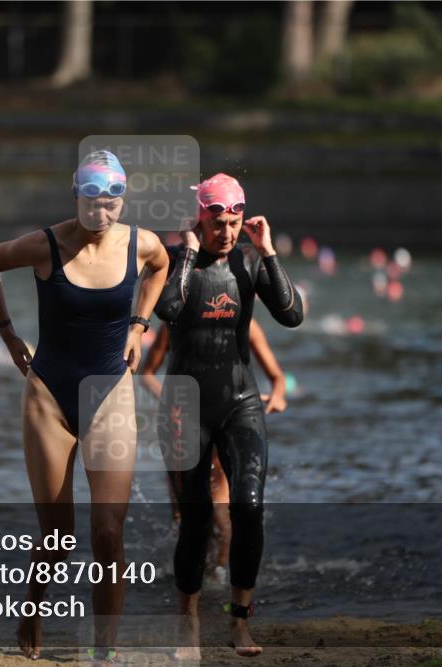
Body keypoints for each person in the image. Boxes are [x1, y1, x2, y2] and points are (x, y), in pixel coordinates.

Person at [0, 150, 169, 663]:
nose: (101, 215)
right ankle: (32, 611)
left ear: (122, 200)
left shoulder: (140, 243)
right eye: (91, 202)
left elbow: (161, 266)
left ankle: (104, 652)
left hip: (112, 394)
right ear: (75, 197)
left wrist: (138, 324)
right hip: (48, 397)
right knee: (57, 541)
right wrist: (8, 334)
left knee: (108, 533)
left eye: (110, 203)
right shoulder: (46, 245)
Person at [154, 173, 303, 658]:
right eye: (218, 221)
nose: (228, 231)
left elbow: (291, 315)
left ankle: (239, 622)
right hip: (184, 405)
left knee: (249, 507)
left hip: (240, 401)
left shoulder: (250, 264)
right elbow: (169, 309)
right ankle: (188, 623)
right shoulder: (177, 262)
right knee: (196, 520)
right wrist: (191, 252)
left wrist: (269, 253)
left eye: (235, 221)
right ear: (200, 218)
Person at [139, 320, 289, 581]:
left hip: (225, 420)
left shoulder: (247, 323)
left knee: (221, 512)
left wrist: (277, 395)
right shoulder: (174, 323)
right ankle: (192, 575)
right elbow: (147, 372)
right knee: (183, 514)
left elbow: (277, 377)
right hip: (180, 426)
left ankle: (216, 574)